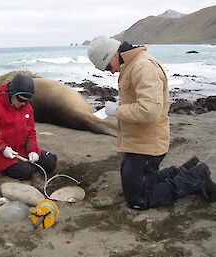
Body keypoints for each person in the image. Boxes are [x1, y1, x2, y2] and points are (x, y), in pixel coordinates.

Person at [87, 36, 216, 210]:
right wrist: (121, 105)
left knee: (137, 199)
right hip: (135, 140)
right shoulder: (131, 64)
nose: (110, 72)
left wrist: (117, 111)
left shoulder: (142, 66)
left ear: (112, 55)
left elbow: (150, 110)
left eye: (107, 67)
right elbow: (140, 100)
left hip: (147, 145)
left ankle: (196, 177)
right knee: (133, 182)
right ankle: (185, 170)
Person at [0, 73, 57, 180]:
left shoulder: (28, 108)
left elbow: (31, 132)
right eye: (20, 100)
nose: (23, 104)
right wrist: (3, 148)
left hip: (23, 148)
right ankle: (20, 166)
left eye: (27, 101)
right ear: (11, 93)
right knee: (25, 172)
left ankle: (28, 161)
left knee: (50, 162)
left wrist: (32, 150)